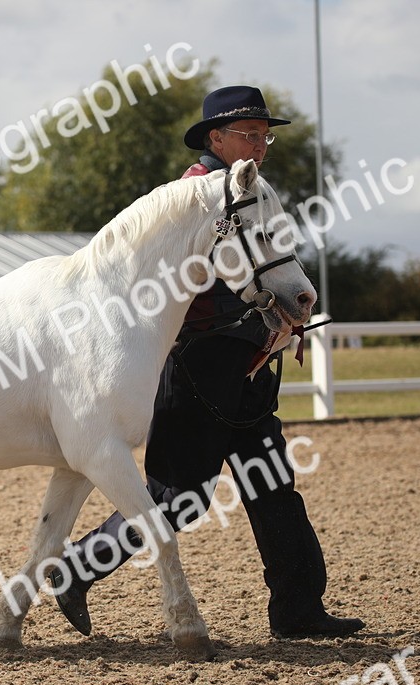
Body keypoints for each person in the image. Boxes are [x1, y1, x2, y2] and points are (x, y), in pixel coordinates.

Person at [48, 85, 364, 640]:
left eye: (264, 136)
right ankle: (77, 567)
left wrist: (279, 310)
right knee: (180, 498)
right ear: (215, 138)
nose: (260, 145)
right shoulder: (188, 200)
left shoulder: (253, 194)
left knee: (273, 488)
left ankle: (298, 609)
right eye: (248, 134)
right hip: (199, 366)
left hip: (245, 367)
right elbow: (175, 286)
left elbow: (267, 266)